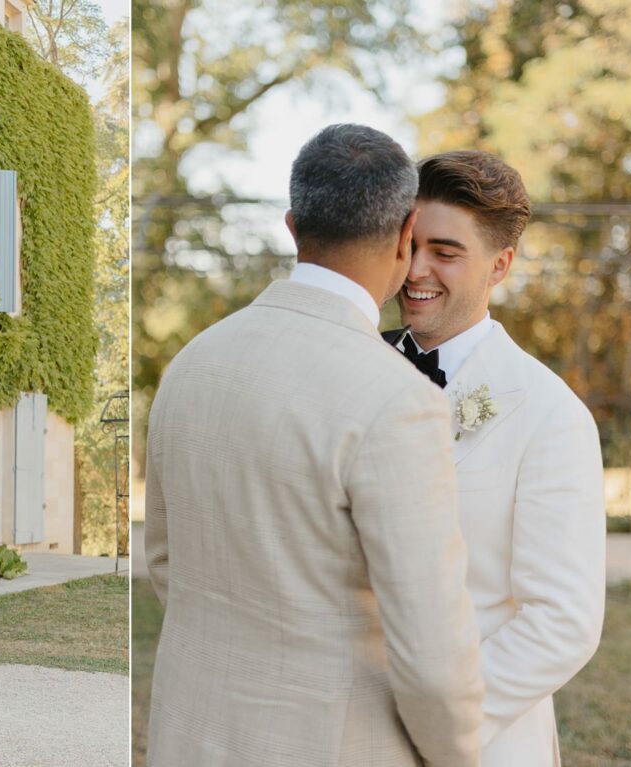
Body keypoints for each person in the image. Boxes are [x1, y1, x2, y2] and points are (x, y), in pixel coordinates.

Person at [145, 124, 483, 767]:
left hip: (188, 734)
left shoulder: (192, 363)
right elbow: (433, 654)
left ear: (294, 226)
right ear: (407, 232)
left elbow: (166, 565)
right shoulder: (399, 398)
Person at [385, 149, 606, 766]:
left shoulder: (549, 414)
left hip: (474, 744)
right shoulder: (351, 367)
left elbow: (561, 622)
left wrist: (434, 722)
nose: (416, 269)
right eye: (411, 243)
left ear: (500, 266)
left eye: (446, 252)